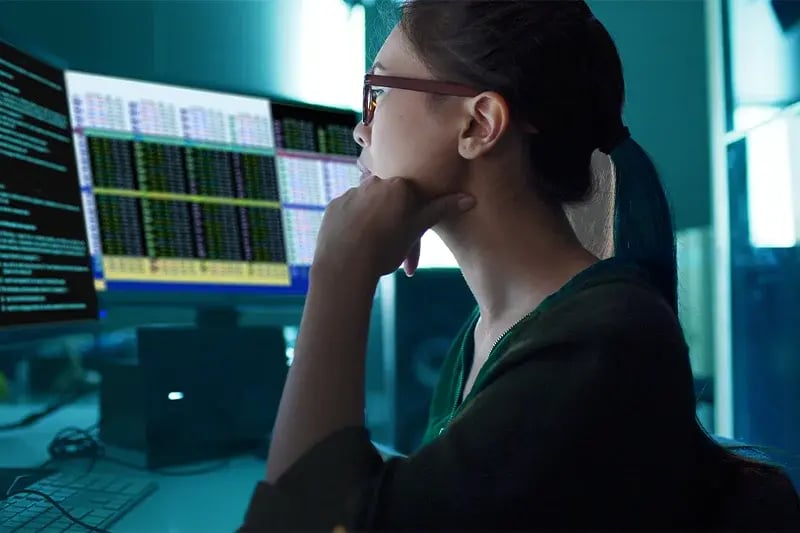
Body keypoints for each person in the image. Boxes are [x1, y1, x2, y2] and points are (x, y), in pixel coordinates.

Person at [239, 1, 800, 530]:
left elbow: (302, 524)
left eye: (378, 93)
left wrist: (341, 270)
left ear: (478, 124)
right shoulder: (487, 332)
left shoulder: (603, 342)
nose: (361, 128)